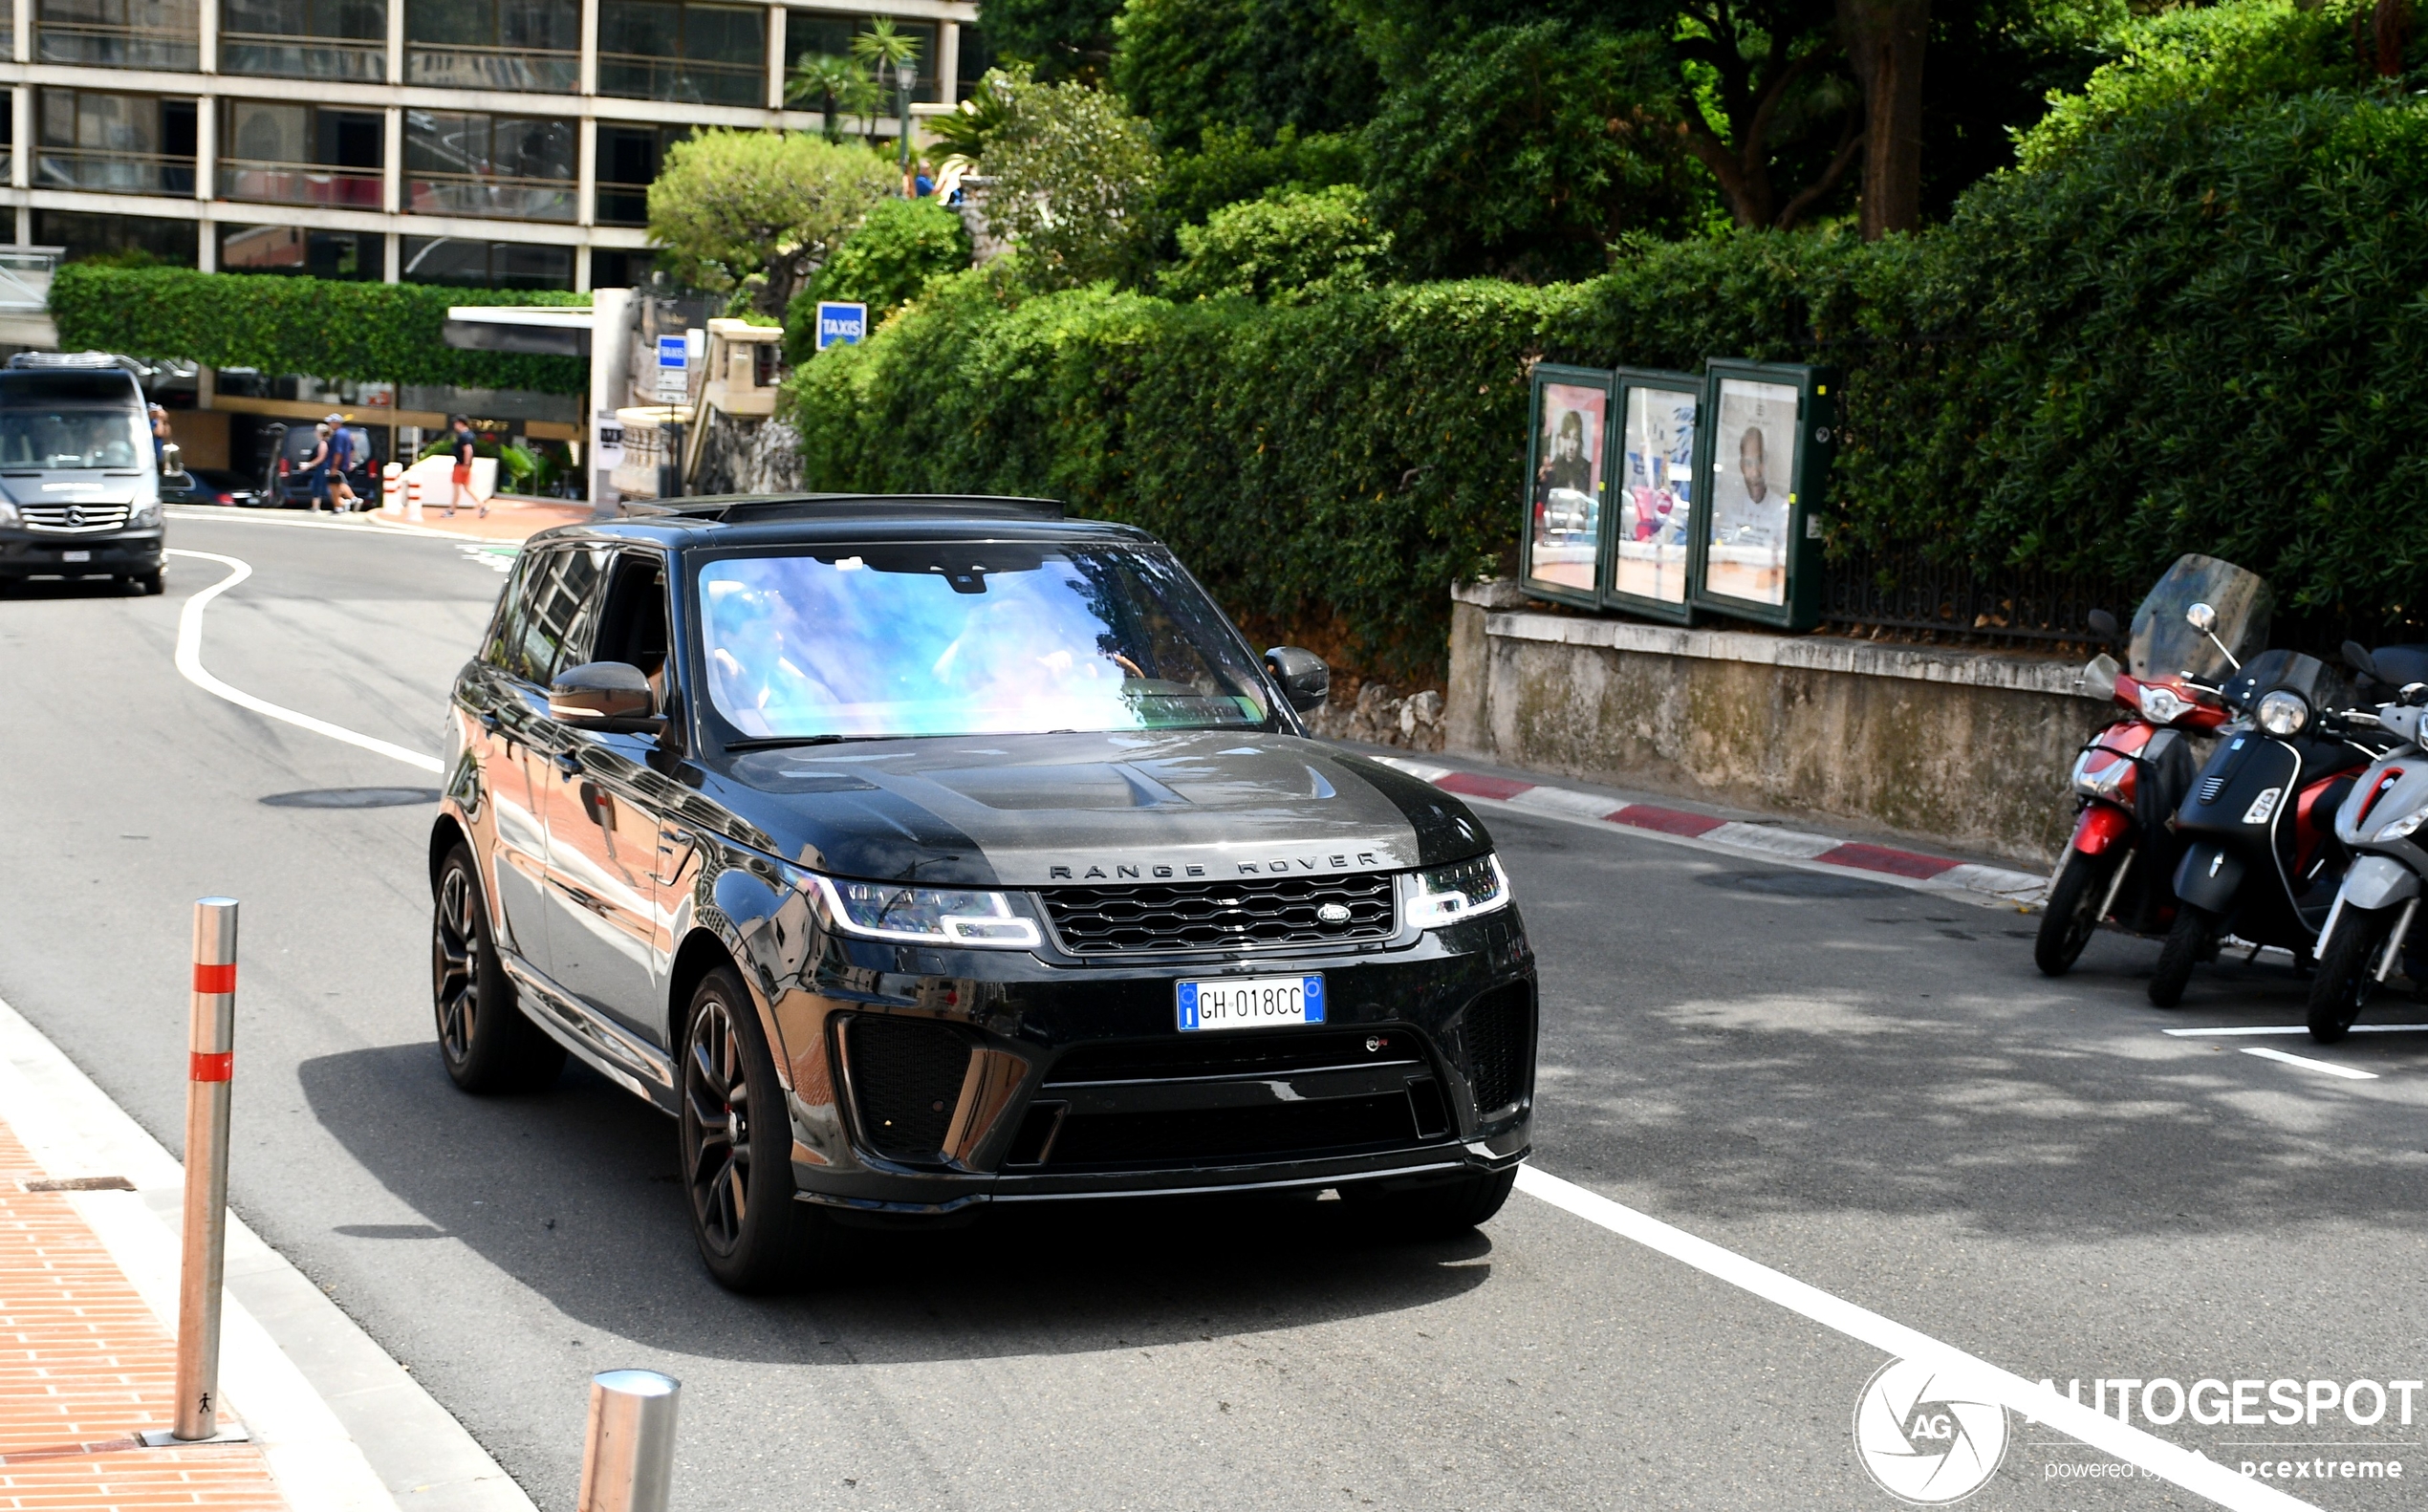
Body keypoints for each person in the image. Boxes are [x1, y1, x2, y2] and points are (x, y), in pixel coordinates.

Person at [321, 412, 361, 511]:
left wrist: (334, 466)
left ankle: (339, 507)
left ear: (336, 423)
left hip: (336, 464)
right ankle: (351, 500)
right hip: (344, 464)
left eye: (330, 422)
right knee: (339, 483)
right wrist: (350, 462)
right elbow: (352, 450)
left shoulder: (338, 435)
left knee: (333, 485)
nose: (329, 424)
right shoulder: (347, 434)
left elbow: (338, 452)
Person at [447, 416, 483, 520]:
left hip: (461, 464)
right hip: (465, 464)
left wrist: (466, 464)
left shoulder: (464, 436)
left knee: (456, 487)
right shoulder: (470, 435)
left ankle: (452, 510)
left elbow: (468, 450)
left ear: (460, 423)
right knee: (467, 487)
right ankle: (482, 505)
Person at [302, 421, 333, 514]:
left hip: (322, 467)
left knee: (320, 486)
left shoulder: (323, 443)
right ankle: (315, 506)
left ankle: (342, 502)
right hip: (322, 467)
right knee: (317, 486)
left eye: (316, 431)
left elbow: (321, 457)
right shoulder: (324, 442)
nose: (315, 433)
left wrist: (308, 465)